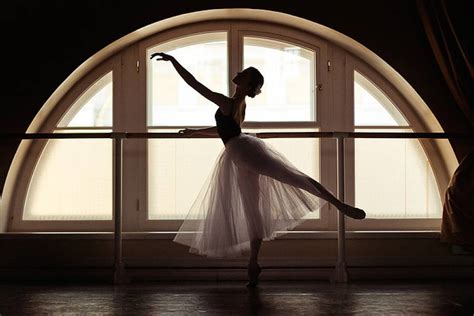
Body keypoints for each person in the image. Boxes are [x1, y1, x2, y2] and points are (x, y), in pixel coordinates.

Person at [150, 52, 366, 287]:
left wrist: (173, 62)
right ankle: (253, 263)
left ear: (247, 84)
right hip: (238, 153)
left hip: (243, 152)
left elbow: (195, 85)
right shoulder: (236, 105)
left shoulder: (229, 102)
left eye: (243, 74)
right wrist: (195, 132)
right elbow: (225, 129)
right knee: (255, 207)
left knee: (292, 178)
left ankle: (338, 204)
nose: (238, 73)